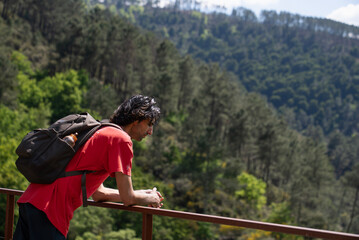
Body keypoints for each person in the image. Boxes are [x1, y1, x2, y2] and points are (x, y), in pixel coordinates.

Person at [13, 95, 164, 240]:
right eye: (149, 124)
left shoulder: (102, 131)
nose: (150, 132)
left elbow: (99, 193)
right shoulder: (121, 140)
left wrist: (141, 194)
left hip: (32, 201)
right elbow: (128, 198)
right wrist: (151, 197)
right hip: (51, 209)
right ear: (137, 119)